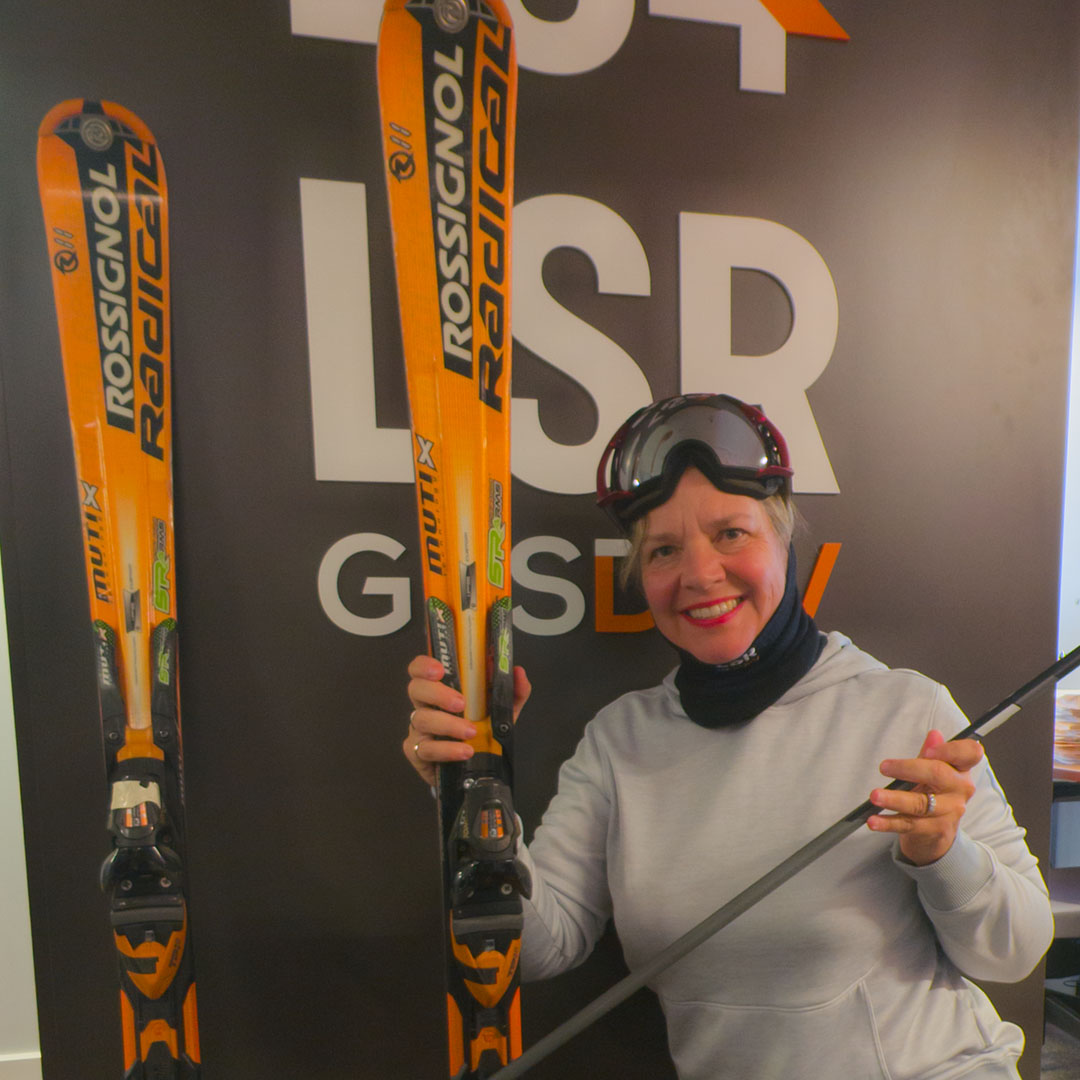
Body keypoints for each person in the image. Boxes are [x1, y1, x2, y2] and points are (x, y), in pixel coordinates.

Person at [404, 392, 1054, 1080]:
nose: (699, 573)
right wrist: (469, 790)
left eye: (731, 534)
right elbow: (540, 948)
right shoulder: (620, 741)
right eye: (664, 550)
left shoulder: (903, 707)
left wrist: (943, 854)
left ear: (784, 542)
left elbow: (1015, 951)